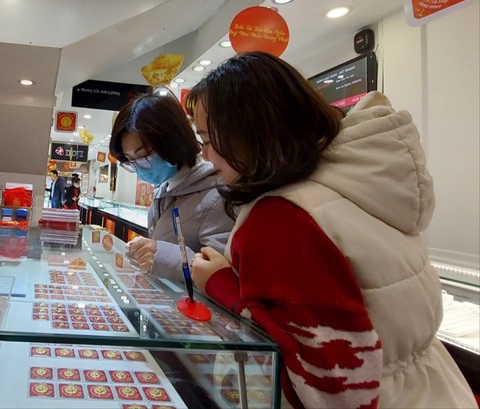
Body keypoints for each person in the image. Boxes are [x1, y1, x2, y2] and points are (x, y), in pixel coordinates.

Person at [186, 51, 475, 408]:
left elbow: (333, 388)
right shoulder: (359, 183)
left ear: (250, 132)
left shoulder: (282, 218)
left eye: (208, 139)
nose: (206, 156)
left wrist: (220, 284)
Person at [109, 90, 234, 281]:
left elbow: (226, 276)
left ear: (171, 140)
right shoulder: (165, 188)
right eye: (130, 160)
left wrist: (162, 257)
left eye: (143, 156)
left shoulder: (219, 193)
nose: (140, 167)